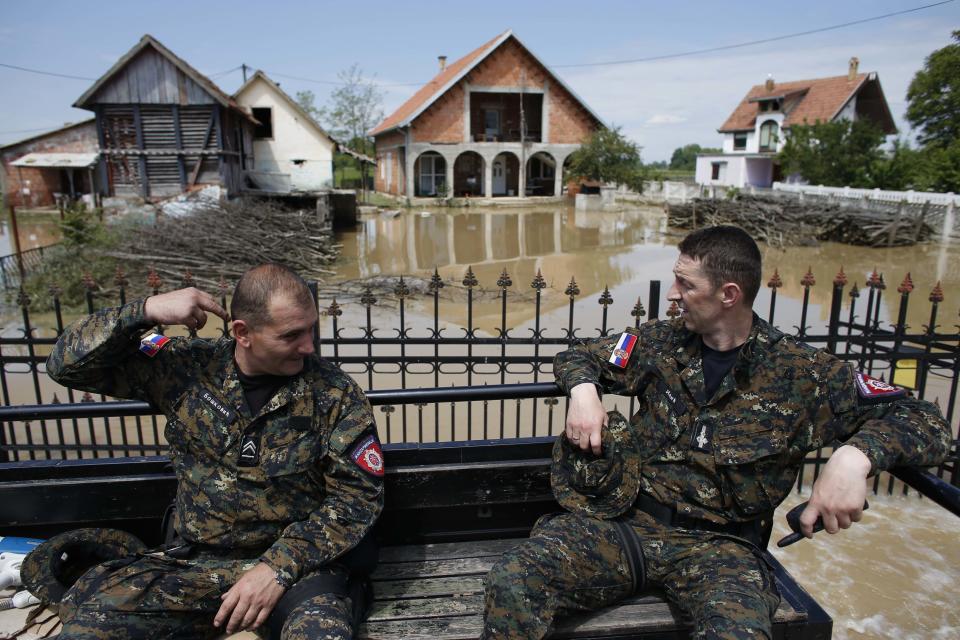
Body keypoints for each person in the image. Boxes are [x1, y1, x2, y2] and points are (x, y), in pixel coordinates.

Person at [482, 225, 950, 639]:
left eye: (685, 284)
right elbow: (579, 354)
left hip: (722, 549)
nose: (672, 294)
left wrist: (854, 458)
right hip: (626, 526)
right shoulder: (659, 342)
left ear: (728, 294)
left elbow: (925, 421)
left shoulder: (805, 373)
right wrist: (585, 392)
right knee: (515, 581)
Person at [42, 263, 384, 639]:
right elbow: (65, 367)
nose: (308, 346)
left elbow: (357, 499)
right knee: (87, 630)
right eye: (292, 335)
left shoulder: (334, 393)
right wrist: (145, 311)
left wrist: (278, 567)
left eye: (310, 330)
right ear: (243, 333)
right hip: (196, 565)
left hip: (297, 572)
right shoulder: (186, 369)